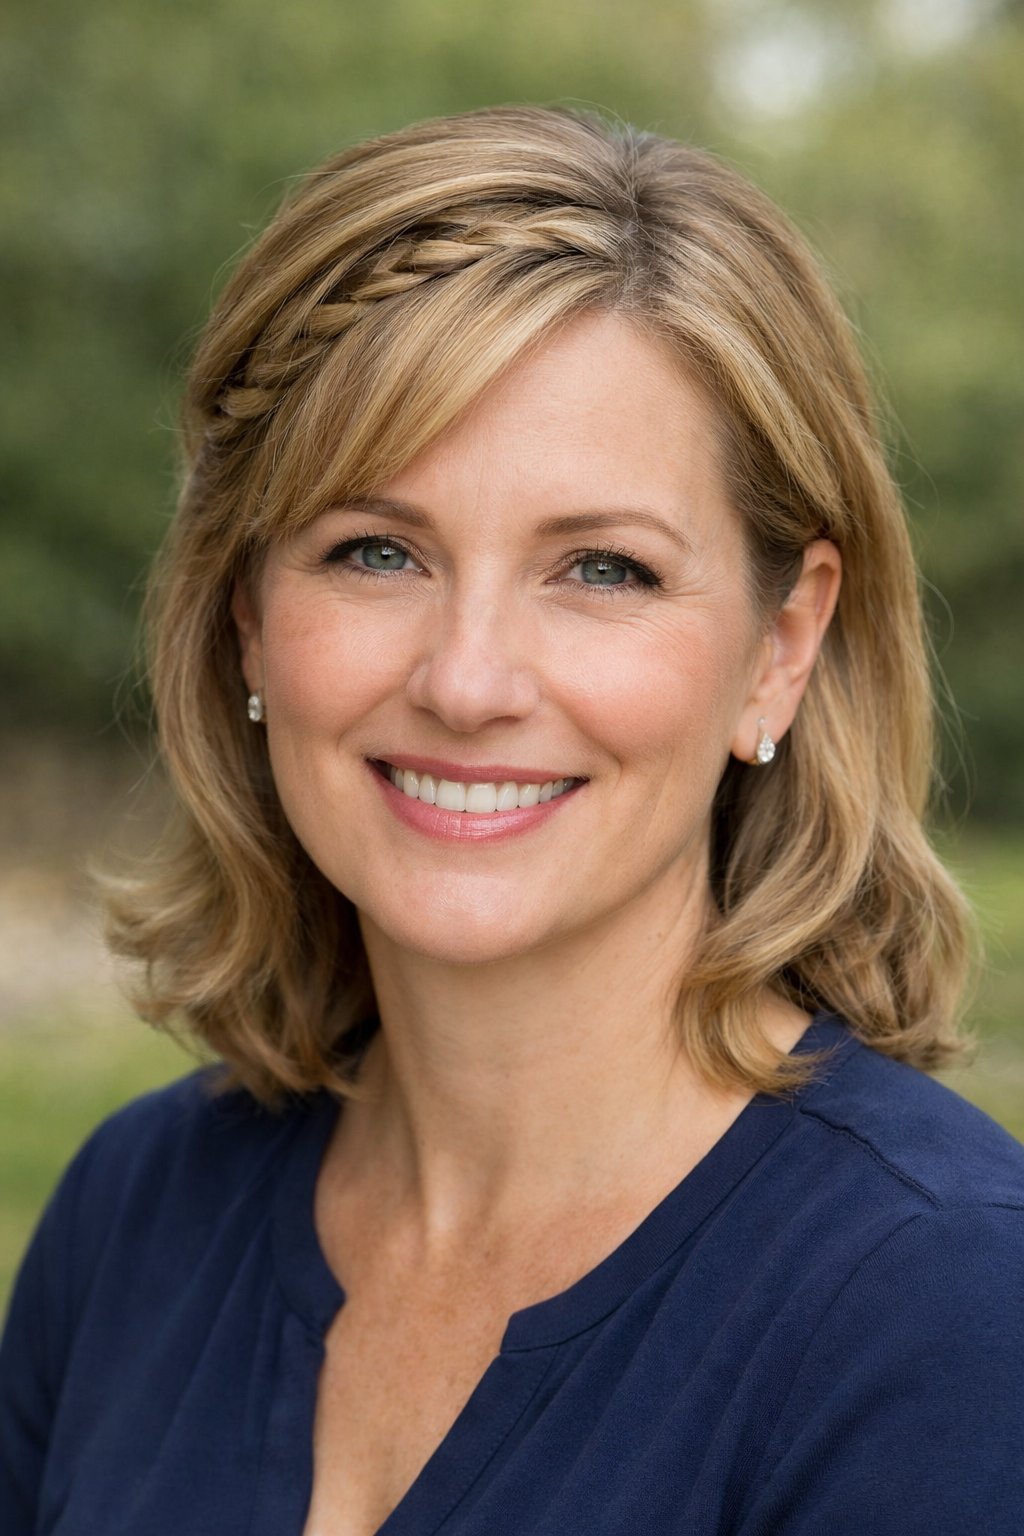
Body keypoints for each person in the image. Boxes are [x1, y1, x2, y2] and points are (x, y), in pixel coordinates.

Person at [1, 104, 1021, 1536]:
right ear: (245, 617)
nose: (467, 680)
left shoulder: (950, 1315)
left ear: (782, 644)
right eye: (375, 551)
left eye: (601, 569)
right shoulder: (134, 1218)